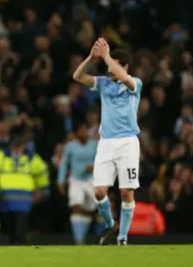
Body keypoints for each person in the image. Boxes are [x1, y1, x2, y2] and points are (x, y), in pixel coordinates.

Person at [72, 38, 142, 245]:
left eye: (114, 65)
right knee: (99, 191)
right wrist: (92, 58)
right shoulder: (103, 83)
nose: (110, 70)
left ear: (125, 66)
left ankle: (122, 238)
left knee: (126, 192)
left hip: (128, 142)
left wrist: (106, 56)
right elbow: (77, 76)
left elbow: (122, 77)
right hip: (106, 143)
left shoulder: (135, 83)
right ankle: (112, 225)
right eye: (108, 65)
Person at [57, 122, 98, 244]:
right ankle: (78, 240)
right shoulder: (70, 147)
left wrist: (94, 166)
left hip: (91, 180)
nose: (83, 133)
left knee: (88, 210)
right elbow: (64, 163)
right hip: (76, 180)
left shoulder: (94, 146)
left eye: (85, 130)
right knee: (76, 206)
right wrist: (60, 180)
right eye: (81, 131)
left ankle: (82, 238)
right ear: (76, 133)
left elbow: (103, 162)